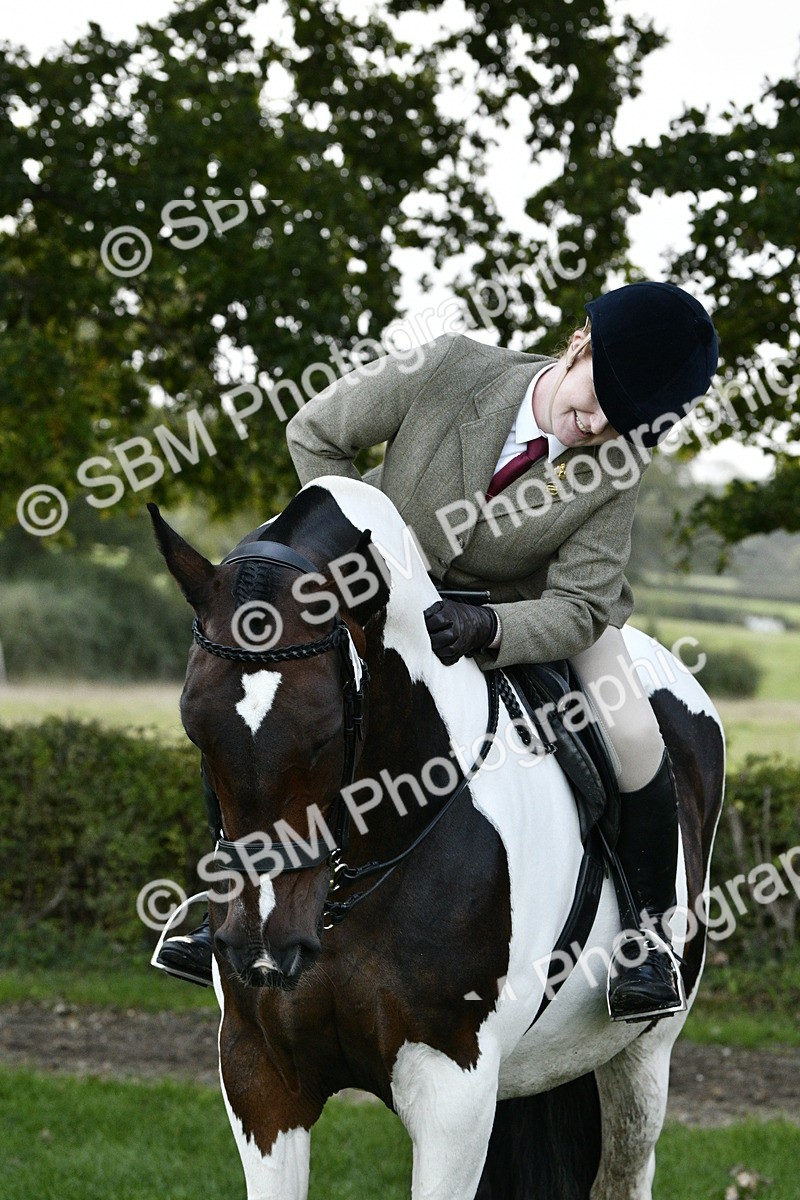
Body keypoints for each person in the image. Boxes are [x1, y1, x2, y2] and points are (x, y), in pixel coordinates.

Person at [157, 281, 718, 1022]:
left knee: (635, 733)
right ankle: (220, 903)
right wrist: (362, 553)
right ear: (580, 346)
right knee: (253, 688)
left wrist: (494, 632)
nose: (599, 423)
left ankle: (647, 939)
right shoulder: (451, 366)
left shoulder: (615, 462)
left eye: (625, 419)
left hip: (526, 610)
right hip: (376, 582)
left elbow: (581, 603)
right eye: (599, 394)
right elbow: (313, 432)